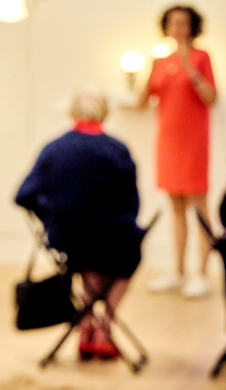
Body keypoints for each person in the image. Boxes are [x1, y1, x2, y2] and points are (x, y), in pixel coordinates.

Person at [16, 88, 145, 360]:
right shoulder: (117, 150)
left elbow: (23, 195)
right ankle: (104, 325)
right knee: (124, 255)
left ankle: (87, 325)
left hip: (67, 240)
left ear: (72, 112)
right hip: (113, 240)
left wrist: (51, 216)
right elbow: (133, 203)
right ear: (104, 113)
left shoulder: (53, 149)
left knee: (87, 263)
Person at [139, 6, 218, 297]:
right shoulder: (161, 60)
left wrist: (190, 69)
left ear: (192, 26)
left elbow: (211, 97)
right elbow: (142, 102)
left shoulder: (201, 57)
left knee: (199, 206)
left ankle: (203, 273)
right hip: (168, 141)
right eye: (174, 23)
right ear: (167, 27)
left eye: (184, 23)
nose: (178, 28)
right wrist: (148, 71)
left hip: (193, 141)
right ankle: (178, 271)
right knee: (175, 208)